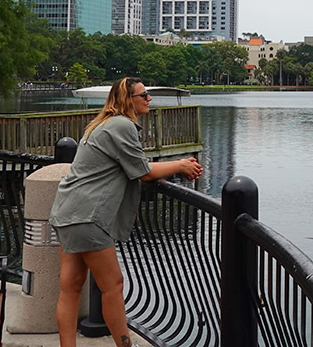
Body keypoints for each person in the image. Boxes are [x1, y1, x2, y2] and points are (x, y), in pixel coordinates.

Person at [50, 77, 203, 347]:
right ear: (127, 100)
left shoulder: (101, 123)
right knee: (114, 285)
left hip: (67, 211)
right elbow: (143, 172)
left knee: (71, 287)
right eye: (143, 96)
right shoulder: (121, 124)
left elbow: (122, 170)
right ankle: (124, 344)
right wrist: (180, 164)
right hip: (88, 216)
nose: (149, 100)